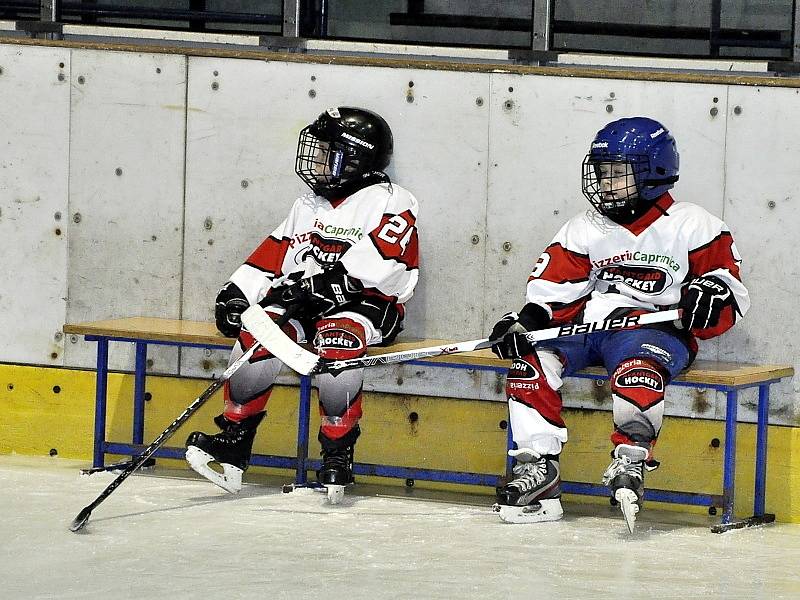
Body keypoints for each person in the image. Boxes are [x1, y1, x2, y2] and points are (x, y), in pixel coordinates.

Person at [489, 117, 749, 529]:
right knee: (529, 362)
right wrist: (526, 323)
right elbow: (554, 289)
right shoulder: (585, 226)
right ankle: (539, 471)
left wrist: (711, 292)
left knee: (638, 373)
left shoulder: (694, 224)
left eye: (617, 173)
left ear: (653, 173)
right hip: (592, 328)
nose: (605, 183)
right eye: (601, 172)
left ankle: (631, 460)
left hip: (654, 331)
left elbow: (727, 287)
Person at [186, 107, 419, 498]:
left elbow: (388, 263)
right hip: (305, 304)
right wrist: (237, 292)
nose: (321, 162)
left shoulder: (392, 201)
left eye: (331, 154)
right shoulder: (307, 206)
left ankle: (336, 455)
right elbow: (272, 255)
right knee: (260, 328)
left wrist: (332, 283)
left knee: (338, 338)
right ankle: (234, 444)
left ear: (357, 158)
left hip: (367, 306)